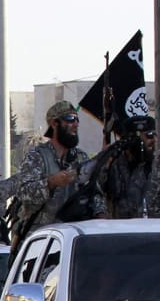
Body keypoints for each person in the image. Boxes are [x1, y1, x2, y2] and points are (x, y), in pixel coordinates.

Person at [15, 101, 107, 242]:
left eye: (77, 119)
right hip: (41, 240)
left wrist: (102, 220)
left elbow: (94, 193)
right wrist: (51, 183)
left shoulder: (81, 158)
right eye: (70, 119)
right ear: (54, 123)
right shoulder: (37, 156)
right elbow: (23, 193)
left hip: (73, 239)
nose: (76, 124)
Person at [100, 116, 156, 218]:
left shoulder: (157, 166)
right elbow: (97, 192)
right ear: (133, 139)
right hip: (122, 231)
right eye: (149, 135)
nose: (154, 140)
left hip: (153, 231)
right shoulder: (114, 165)